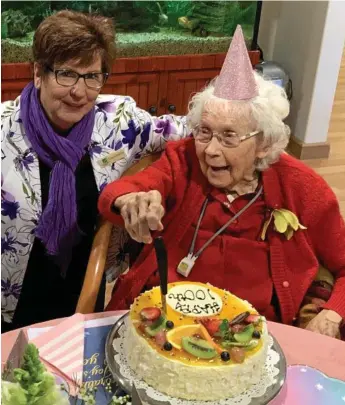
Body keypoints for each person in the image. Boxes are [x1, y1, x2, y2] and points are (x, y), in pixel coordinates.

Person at [99, 26, 345, 339]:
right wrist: (131, 202)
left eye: (229, 136)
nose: (211, 150)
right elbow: (117, 193)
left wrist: (333, 313)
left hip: (255, 338)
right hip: (166, 324)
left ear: (264, 144)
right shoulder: (184, 160)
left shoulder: (301, 186)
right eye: (204, 131)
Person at [1, 10, 188, 331]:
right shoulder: (5, 130)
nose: (79, 91)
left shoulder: (117, 121)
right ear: (38, 73)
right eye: (66, 74)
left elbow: (190, 132)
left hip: (84, 287)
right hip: (11, 297)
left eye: (92, 76)